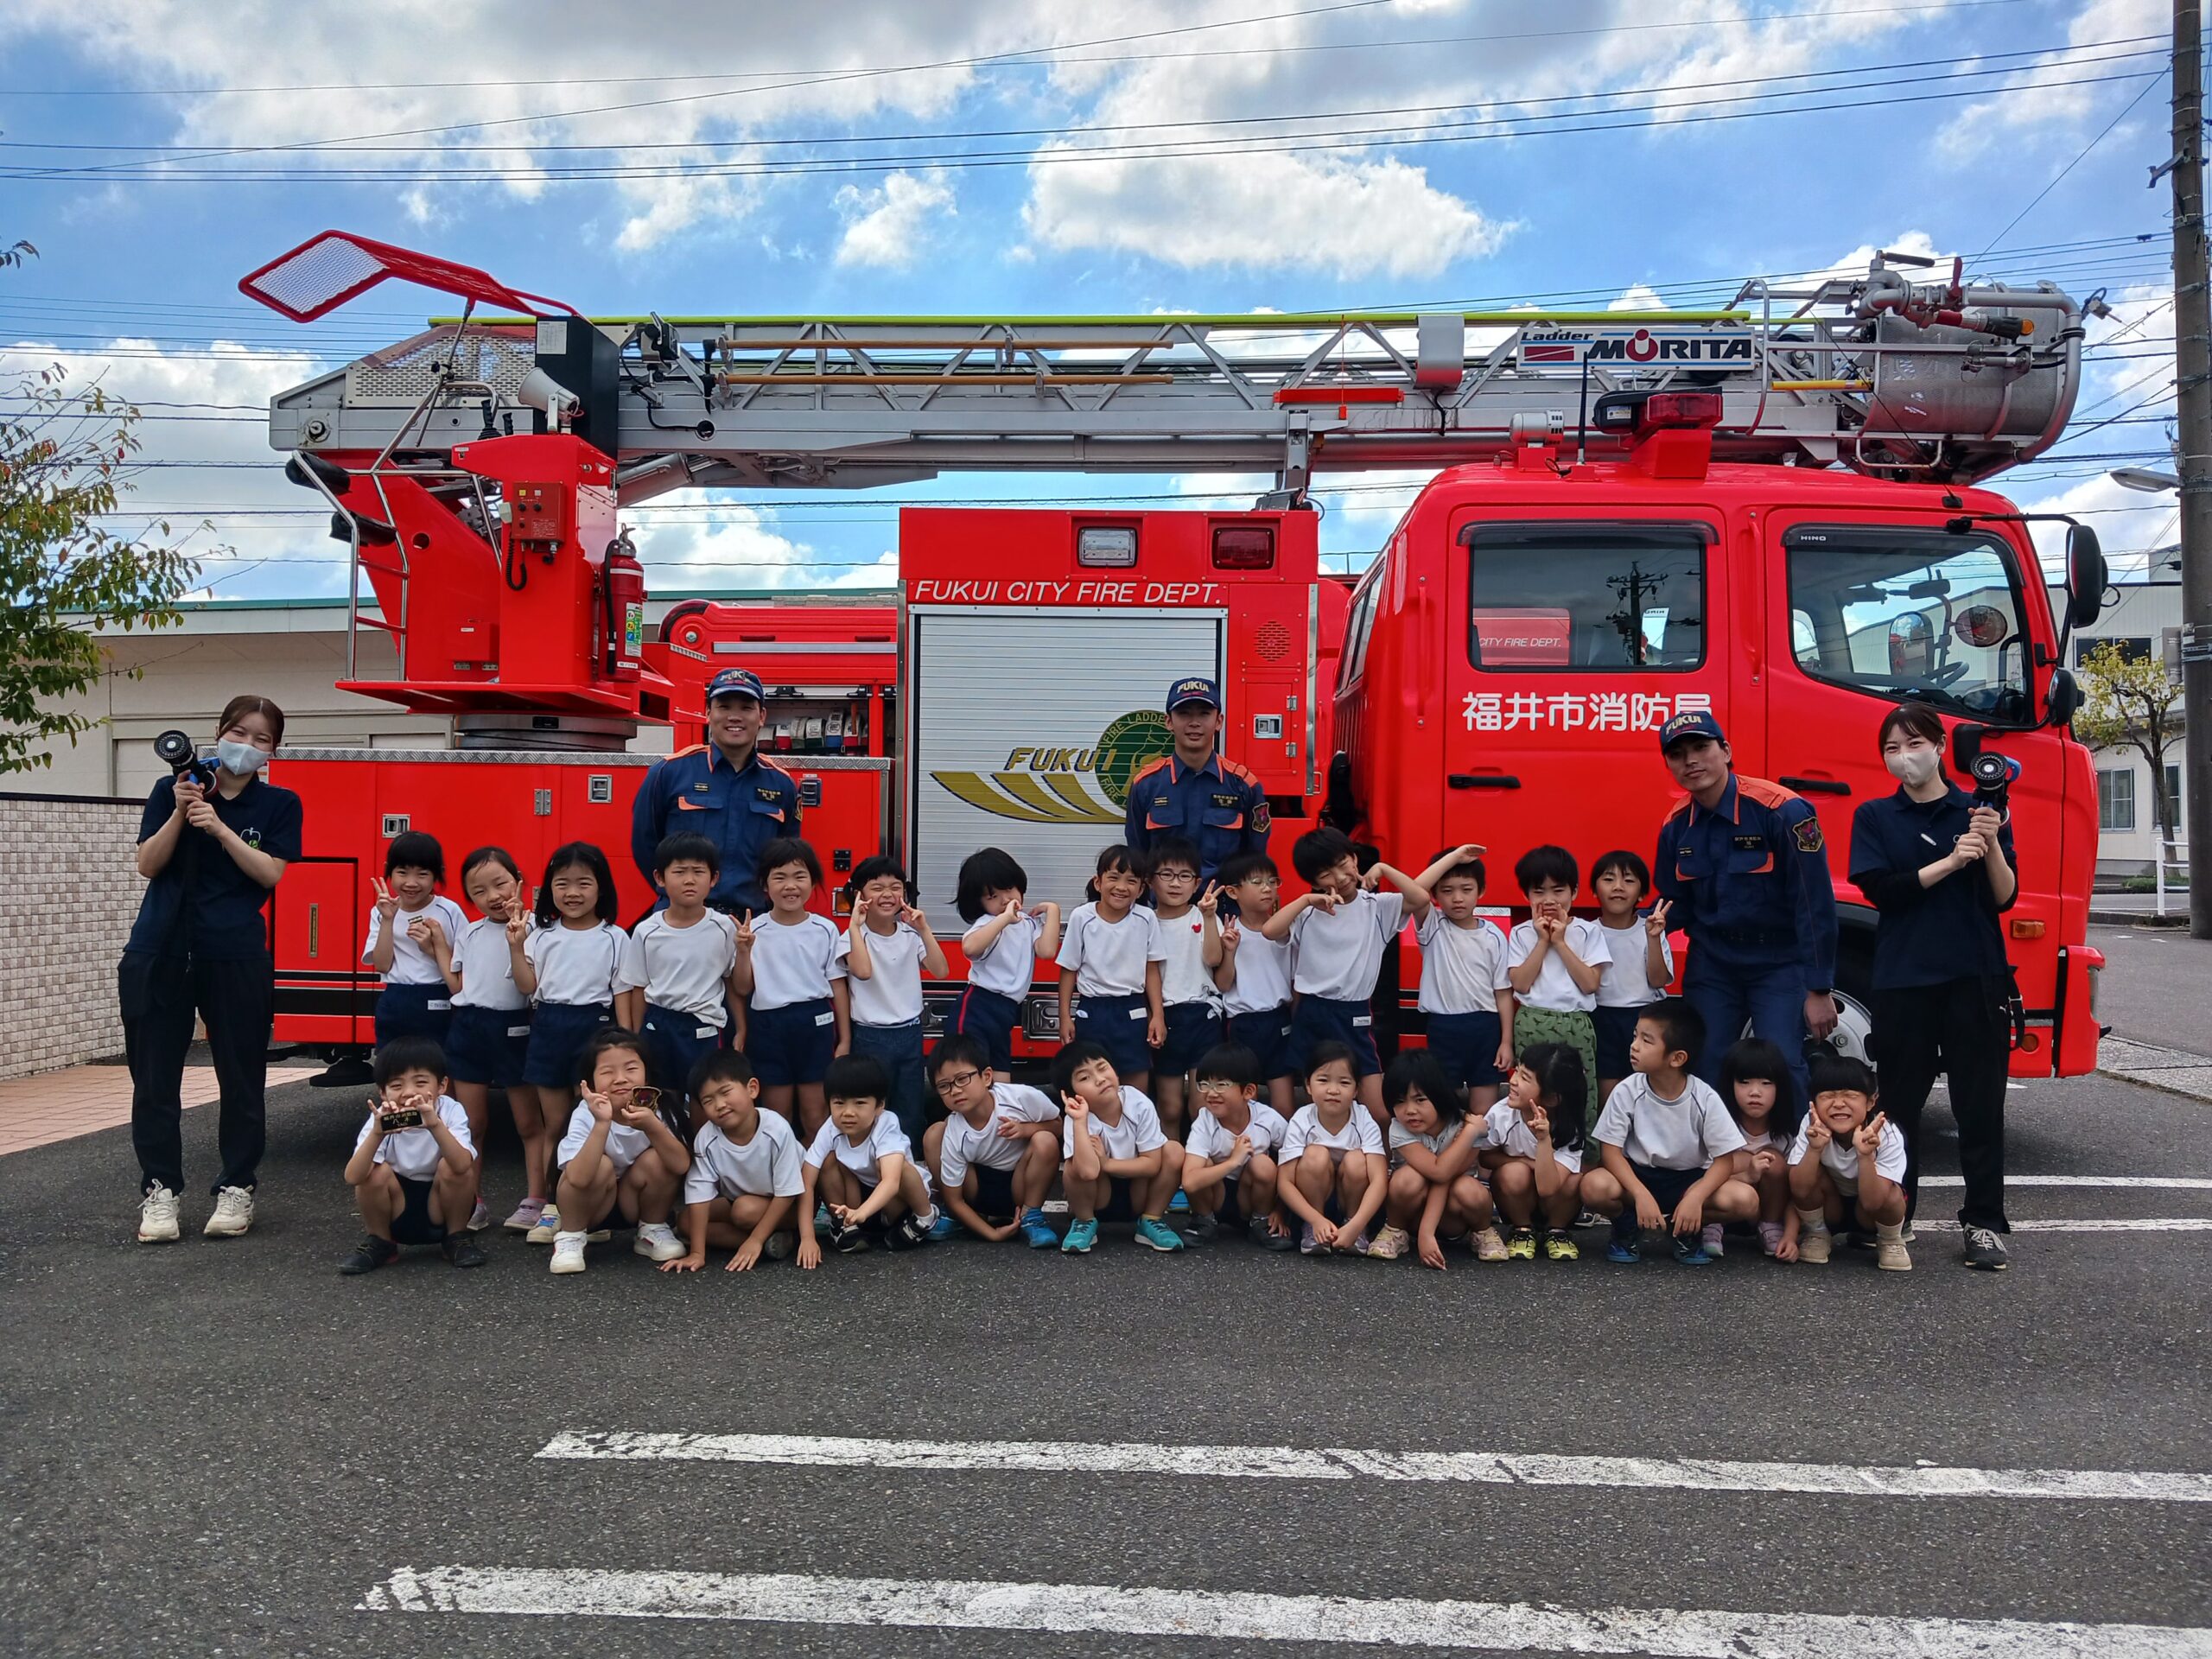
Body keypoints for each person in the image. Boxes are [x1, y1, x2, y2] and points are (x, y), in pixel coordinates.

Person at [122, 693, 302, 1245]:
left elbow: (269, 875)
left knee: (242, 1075)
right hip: (161, 949)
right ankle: (160, 1192)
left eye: (261, 739)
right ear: (219, 732)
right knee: (154, 1080)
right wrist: (182, 811)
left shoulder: (279, 805)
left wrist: (219, 827)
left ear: (274, 750)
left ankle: (236, 1187)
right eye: (239, 732)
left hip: (235, 953)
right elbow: (149, 864)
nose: (247, 746)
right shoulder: (172, 789)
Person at [1848, 702, 2018, 1272]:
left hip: (1975, 974)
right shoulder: (1875, 816)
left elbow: (2003, 897)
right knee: (1898, 1106)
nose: (1904, 757)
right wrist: (1950, 862)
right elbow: (1881, 890)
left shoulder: (1979, 809)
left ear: (1941, 746)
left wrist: (1989, 841)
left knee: (1979, 1105)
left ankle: (1985, 1223)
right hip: (1903, 978)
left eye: (1913, 744)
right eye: (1891, 749)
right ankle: (1900, 1213)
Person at [1652, 709, 1839, 1103]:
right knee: (1702, 1064)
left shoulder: (1783, 811)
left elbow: (1813, 902)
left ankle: (1793, 1160)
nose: (1691, 761)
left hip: (1778, 962)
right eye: (1678, 754)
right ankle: (1714, 1161)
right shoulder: (1675, 826)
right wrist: (1613, 930)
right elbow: (1672, 905)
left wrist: (1819, 987)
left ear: (1726, 750)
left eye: (1701, 747)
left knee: (1781, 1064)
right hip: (1714, 963)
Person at [516, 842, 643, 1243]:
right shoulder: (541, 935)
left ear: (601, 888)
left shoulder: (615, 937)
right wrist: (515, 947)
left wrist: (625, 1044)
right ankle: (550, 1205)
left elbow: (623, 991)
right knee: (554, 1123)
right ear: (548, 889)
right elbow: (526, 986)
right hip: (550, 1025)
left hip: (597, 1029)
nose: (572, 892)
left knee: (590, 1120)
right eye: (562, 883)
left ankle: (592, 1206)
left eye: (584, 883)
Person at [1266, 828, 1432, 1124]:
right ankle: (1314, 1162)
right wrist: (1306, 900)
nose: (1339, 877)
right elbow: (1270, 931)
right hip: (1312, 1010)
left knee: (1378, 1110)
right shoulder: (1307, 912)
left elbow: (1420, 898)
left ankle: (1383, 1165)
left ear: (1355, 859)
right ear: (1314, 881)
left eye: (1343, 863)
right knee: (1315, 1104)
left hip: (1354, 1011)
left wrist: (1383, 868)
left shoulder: (1377, 907)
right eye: (1325, 874)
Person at [1581, 996, 1758, 1265]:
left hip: (1688, 1180)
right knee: (1594, 1186)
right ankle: (1628, 1225)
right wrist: (1640, 1194)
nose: (1634, 1046)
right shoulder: (1627, 1090)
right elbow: (1611, 1152)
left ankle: (1686, 1229)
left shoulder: (1704, 1097)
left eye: (1646, 1040)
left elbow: (1724, 1160)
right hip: (1639, 1176)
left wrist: (1696, 1197)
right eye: (1635, 1036)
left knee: (1745, 1199)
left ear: (1677, 1058)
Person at [631, 666, 801, 916]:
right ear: (708, 713)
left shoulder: (781, 784)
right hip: (683, 921)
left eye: (746, 708)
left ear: (762, 716)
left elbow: (787, 857)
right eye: (724, 707)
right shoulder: (668, 773)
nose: (735, 716)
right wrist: (678, 897)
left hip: (750, 922)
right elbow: (644, 845)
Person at [429, 844, 533, 1235]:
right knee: (471, 1124)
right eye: (478, 891)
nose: (493, 896)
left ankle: (535, 1198)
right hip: (469, 1028)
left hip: (514, 1028)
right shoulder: (469, 932)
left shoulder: (534, 928)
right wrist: (439, 946)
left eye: (500, 883)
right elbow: (458, 983)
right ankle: (472, 1201)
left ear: (518, 881)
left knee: (528, 1123)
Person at [548, 1029, 692, 1274]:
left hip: (634, 1202)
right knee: (599, 1165)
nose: (620, 1079)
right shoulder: (585, 1112)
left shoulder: (659, 1107)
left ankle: (652, 1229)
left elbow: (680, 1165)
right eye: (607, 1072)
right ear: (590, 1082)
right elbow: (578, 1178)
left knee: (659, 1157)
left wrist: (653, 1128)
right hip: (591, 1205)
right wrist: (602, 1124)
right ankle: (570, 1237)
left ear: (647, 1072)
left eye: (631, 1069)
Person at [336, 1036, 485, 1274]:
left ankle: (457, 1238)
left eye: (421, 1082)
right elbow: (353, 1177)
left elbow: (461, 1164)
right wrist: (378, 1133)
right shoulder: (381, 1117)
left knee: (453, 1167)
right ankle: (381, 1241)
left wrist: (434, 1125)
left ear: (442, 1086)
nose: (408, 1093)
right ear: (383, 1093)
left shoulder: (450, 1110)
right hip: (397, 1207)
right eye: (396, 1086)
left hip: (441, 1206)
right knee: (374, 1172)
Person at [734, 838, 849, 1141]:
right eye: (779, 877)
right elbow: (743, 988)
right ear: (765, 884)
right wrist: (744, 951)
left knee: (816, 1117)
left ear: (813, 882)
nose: (790, 886)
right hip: (768, 1026)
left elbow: (838, 986)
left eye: (800, 876)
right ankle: (783, 1185)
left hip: (815, 1023)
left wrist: (845, 1039)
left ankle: (815, 1186)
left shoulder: (825, 929)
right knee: (777, 1118)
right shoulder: (753, 930)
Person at [623, 833, 743, 1118]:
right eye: (679, 872)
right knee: (664, 1100)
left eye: (698, 872)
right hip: (659, 1023)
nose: (689, 880)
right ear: (660, 878)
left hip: (704, 1026)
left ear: (713, 879)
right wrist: (637, 1037)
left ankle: (702, 1159)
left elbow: (731, 983)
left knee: (706, 1099)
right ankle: (671, 1158)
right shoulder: (646, 931)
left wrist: (742, 1028)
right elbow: (639, 987)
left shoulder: (724, 927)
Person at [837, 855, 947, 1146]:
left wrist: (923, 928)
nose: (887, 895)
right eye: (877, 888)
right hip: (870, 1036)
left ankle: (908, 1171)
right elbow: (862, 971)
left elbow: (941, 970)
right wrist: (854, 926)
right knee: (871, 1107)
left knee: (909, 1107)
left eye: (895, 887)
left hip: (909, 1032)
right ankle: (872, 1169)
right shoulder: (852, 937)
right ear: (860, 895)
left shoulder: (911, 935)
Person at [663, 1050, 804, 1274]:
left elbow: (788, 1192)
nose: (720, 1104)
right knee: (686, 1223)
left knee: (743, 1212)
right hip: (740, 1199)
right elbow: (699, 1193)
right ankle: (770, 1242)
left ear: (752, 1089)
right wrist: (697, 1254)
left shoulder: (776, 1129)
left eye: (725, 1092)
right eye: (708, 1100)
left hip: (793, 1205)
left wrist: (755, 1239)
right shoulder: (707, 1138)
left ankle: (761, 1240)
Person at [1122, 675, 1270, 886]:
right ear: (1168, 722)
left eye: (1204, 714)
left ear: (1219, 721)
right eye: (1183, 714)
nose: (1194, 723)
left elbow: (1255, 859)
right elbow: (1138, 854)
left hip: (1224, 909)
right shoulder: (1146, 784)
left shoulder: (1245, 785)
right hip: (1163, 911)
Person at [796, 1054, 940, 1262]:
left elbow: (891, 1181)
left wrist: (863, 1212)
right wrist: (807, 1238)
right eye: (839, 1103)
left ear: (880, 1105)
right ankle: (843, 1224)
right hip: (858, 1202)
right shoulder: (830, 1128)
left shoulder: (887, 1124)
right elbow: (807, 1182)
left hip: (897, 1202)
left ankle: (925, 1217)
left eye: (860, 1103)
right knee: (828, 1160)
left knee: (901, 1168)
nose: (848, 1112)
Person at [922, 1035, 1062, 1249]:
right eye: (944, 1086)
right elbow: (954, 1199)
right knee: (934, 1134)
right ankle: (961, 1219)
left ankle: (1031, 1216)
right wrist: (992, 1234)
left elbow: (1059, 1126)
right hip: (977, 1189)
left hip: (1020, 1183)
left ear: (986, 1077)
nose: (955, 1090)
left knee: (1045, 1140)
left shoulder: (1020, 1097)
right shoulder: (954, 1130)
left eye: (962, 1079)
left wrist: (1026, 1129)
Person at [1055, 1039, 1185, 1255]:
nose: (1099, 1079)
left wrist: (1106, 1163)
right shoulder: (1076, 1116)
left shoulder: (1138, 1103)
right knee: (1073, 1166)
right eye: (1085, 1077)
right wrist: (1079, 1121)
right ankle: (1084, 1221)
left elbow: (1152, 1165)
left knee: (1174, 1151)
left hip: (1138, 1191)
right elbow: (1087, 1172)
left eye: (1102, 1068)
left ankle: (1151, 1220)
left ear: (1115, 1071)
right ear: (1070, 1093)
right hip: (1099, 1194)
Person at [1057, 844, 1166, 1095]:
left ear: (1141, 888)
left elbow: (1152, 970)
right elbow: (1068, 970)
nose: (1121, 887)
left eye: (1131, 880)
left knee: (1136, 1091)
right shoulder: (1081, 917)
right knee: (1092, 1086)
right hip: (1092, 1011)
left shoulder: (1146, 918)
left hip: (1133, 1010)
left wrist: (1157, 1015)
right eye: (1113, 878)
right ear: (1098, 882)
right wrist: (1065, 1016)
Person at [1409, 843, 1512, 1111]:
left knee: (1483, 1113)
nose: (1457, 898)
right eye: (1447, 891)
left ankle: (1478, 1153)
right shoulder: (1432, 926)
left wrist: (1506, 1041)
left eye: (1466, 890)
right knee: (1444, 1107)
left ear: (1482, 891)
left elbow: (1503, 993)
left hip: (1485, 1028)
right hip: (1444, 1028)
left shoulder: (1494, 937)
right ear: (1434, 896)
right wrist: (1454, 857)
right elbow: (1414, 891)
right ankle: (1447, 1153)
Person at [1787, 1052, 1912, 1272]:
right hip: (1830, 1205)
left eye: (1849, 1095)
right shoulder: (1812, 1124)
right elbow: (1798, 1188)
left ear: (1871, 1101)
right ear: (1814, 1103)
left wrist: (1865, 1155)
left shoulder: (1886, 1133)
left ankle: (1891, 1240)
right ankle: (1817, 1232)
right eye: (1827, 1096)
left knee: (1893, 1195)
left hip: (1868, 1211)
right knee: (1806, 1170)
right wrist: (1814, 1149)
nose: (1838, 1104)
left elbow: (1874, 1203)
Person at [1504, 845, 1609, 1094]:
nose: (1549, 900)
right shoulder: (1520, 933)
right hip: (1532, 1020)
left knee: (1577, 1092)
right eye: (1539, 891)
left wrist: (1560, 942)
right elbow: (1520, 983)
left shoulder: (1588, 931)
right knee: (1532, 1091)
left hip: (1575, 1021)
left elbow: (1590, 983)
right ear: (1526, 896)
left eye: (1558, 890)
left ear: (1574, 892)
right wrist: (1542, 941)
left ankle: (1577, 1134)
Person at [1377, 1049, 1492, 1268]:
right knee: (1407, 1178)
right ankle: (1395, 1230)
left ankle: (1482, 1232)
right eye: (1400, 1102)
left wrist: (1469, 1132)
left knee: (1470, 1189)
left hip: (1453, 1217)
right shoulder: (1399, 1129)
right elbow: (1438, 1171)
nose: (1410, 1110)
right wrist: (1424, 1232)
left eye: (1420, 1099)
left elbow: (1446, 1177)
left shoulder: (1467, 1125)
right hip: (1413, 1213)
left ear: (1439, 1095)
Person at [950, 847, 1060, 1073]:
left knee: (1002, 1084)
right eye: (993, 896)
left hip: (1006, 1012)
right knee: (971, 1078)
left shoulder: (1029, 924)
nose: (1005, 899)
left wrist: (1054, 911)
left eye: (1009, 889)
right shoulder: (987, 923)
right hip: (977, 1008)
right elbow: (970, 948)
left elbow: (1047, 951)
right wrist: (1004, 919)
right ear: (980, 902)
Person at [1146, 837, 1225, 1147]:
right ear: (1151, 881)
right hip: (1165, 1017)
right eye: (1166, 875)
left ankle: (1198, 1165)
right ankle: (1172, 1170)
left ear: (1197, 883)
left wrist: (1208, 917)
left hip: (1203, 1016)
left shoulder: (1203, 916)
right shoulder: (1146, 921)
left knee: (1200, 1104)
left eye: (1184, 876)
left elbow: (1213, 959)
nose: (1175, 884)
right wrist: (1156, 1015)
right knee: (1169, 1106)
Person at [1276, 1041, 1389, 1256]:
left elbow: (1379, 1180)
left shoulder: (1363, 1119)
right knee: (1315, 1154)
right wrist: (1315, 1219)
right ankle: (1313, 1230)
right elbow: (1284, 1181)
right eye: (1323, 1080)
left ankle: (1356, 1230)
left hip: (1353, 1204)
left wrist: (1357, 1224)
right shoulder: (1302, 1119)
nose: (1333, 1090)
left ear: (1356, 1089)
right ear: (1308, 1085)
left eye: (1344, 1082)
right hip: (1315, 1204)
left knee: (1357, 1160)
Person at [1177, 1042, 1293, 1249]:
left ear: (1248, 1091)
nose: (1211, 1093)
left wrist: (1280, 1210)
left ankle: (1260, 1221)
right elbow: (1190, 1182)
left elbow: (1294, 1164)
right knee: (1201, 1164)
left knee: (1263, 1164)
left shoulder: (1268, 1120)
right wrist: (1233, 1162)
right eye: (1204, 1084)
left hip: (1251, 1196)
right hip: (1216, 1196)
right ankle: (1205, 1220)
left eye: (1221, 1085)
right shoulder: (1205, 1121)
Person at [1480, 1043, 1588, 1262]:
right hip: (1518, 1197)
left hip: (1553, 1199)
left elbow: (1549, 1188)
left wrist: (1544, 1140)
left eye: (1525, 1078)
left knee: (1575, 1180)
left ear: (1552, 1098)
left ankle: (1557, 1231)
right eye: (1517, 1071)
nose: (1513, 1080)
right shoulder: (1502, 1114)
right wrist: (1524, 1162)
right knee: (1512, 1172)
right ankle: (1522, 1229)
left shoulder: (1568, 1127)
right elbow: (1486, 1157)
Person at [362, 831, 467, 1051]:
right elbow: (381, 965)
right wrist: (388, 920)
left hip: (437, 995)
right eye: (402, 872)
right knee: (392, 1067)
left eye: (422, 874)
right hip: (395, 996)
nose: (411, 883)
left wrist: (432, 948)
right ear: (389, 870)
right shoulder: (381, 911)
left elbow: (465, 965)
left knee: (438, 1066)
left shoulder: (448, 910)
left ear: (437, 875)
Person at [1212, 852, 1296, 1119]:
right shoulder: (1229, 930)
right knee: (1241, 1102)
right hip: (1242, 1023)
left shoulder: (1287, 929)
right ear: (1234, 892)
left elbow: (1296, 982)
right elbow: (1223, 984)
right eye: (1257, 882)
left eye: (1272, 881)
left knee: (1283, 1106)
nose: (1267, 888)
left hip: (1279, 1020)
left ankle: (1282, 1156)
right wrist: (1231, 951)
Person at [1590, 849, 1675, 1104]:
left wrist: (1652, 938)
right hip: (1601, 1017)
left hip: (1644, 1017)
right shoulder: (1586, 932)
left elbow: (1659, 980)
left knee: (1646, 1091)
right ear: (1594, 890)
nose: (1618, 887)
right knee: (1609, 1094)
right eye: (1608, 879)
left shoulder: (1651, 928)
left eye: (1628, 880)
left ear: (1642, 893)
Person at [1718, 1037, 1802, 1260]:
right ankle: (1711, 1225)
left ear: (1780, 1087)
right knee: (1736, 1158)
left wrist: (1791, 1235)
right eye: (1744, 1082)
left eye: (1766, 1083)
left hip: (1767, 1208)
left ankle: (1771, 1226)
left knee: (1772, 1160)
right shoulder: (1718, 1127)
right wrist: (1747, 1174)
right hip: (1725, 1206)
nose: (1755, 1092)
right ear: (1730, 1085)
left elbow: (1797, 1192)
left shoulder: (1786, 1135)